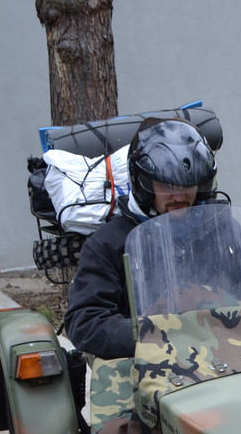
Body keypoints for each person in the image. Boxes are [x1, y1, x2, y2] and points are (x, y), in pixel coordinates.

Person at [63, 117, 218, 359]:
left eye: (188, 185)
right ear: (144, 184)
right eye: (167, 186)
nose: (179, 196)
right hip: (147, 360)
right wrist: (159, 333)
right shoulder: (108, 243)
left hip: (221, 351)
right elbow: (86, 321)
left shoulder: (216, 229)